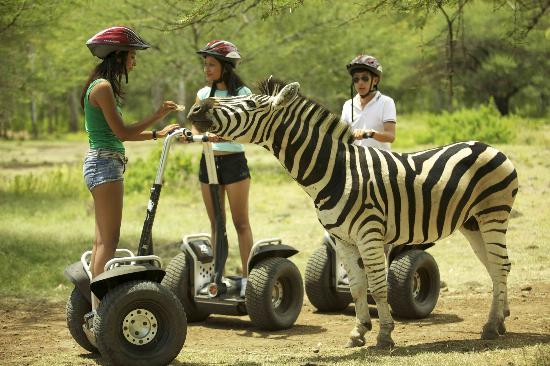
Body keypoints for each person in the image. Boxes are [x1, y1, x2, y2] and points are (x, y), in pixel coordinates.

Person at [82, 26, 179, 311]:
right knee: (108, 243)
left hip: (102, 162)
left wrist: (156, 134)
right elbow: (122, 133)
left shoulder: (99, 85)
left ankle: (95, 311)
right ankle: (100, 313)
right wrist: (157, 115)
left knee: (102, 242)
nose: (134, 62)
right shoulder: (102, 87)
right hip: (106, 166)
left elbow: (116, 133)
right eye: (132, 57)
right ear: (119, 55)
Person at [191, 40, 253, 296]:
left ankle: (250, 278)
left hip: (234, 163)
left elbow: (248, 129)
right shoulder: (204, 95)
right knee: (217, 223)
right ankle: (218, 277)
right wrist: (194, 134)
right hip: (209, 161)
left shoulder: (243, 93)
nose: (206, 69)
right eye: (205, 64)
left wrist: (225, 137)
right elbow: (196, 124)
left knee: (240, 223)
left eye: (212, 64)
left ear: (225, 67)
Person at [341, 54, 396, 151]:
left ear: (375, 81)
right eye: (356, 79)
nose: (360, 83)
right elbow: (342, 136)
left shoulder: (386, 102)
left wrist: (370, 133)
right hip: (355, 162)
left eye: (365, 78)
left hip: (381, 162)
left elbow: (390, 136)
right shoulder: (347, 105)